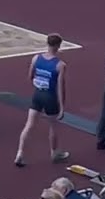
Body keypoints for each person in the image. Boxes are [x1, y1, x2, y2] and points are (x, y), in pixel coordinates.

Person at [15, 34, 70, 167]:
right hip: (50, 97)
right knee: (53, 126)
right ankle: (54, 153)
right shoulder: (60, 65)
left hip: (37, 95)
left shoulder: (36, 58)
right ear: (58, 46)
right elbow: (60, 87)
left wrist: (38, 83)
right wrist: (62, 106)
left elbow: (30, 76)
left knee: (29, 125)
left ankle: (20, 153)